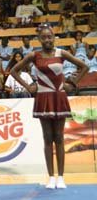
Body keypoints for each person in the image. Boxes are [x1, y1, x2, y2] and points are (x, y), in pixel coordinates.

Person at [10, 24, 89, 189]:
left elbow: (84, 67)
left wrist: (72, 83)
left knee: (59, 137)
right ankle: (51, 177)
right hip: (43, 98)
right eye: (44, 37)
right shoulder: (34, 55)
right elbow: (14, 71)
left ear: (54, 38)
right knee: (47, 138)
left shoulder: (62, 53)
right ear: (39, 39)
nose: (47, 39)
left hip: (58, 96)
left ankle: (61, 177)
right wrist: (29, 86)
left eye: (50, 37)